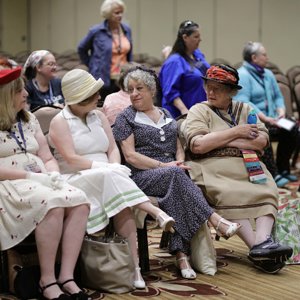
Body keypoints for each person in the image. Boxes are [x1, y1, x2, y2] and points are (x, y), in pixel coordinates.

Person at [48, 68, 175, 290]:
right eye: (94, 94)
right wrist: (106, 168)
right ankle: (156, 212)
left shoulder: (99, 116)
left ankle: (134, 267)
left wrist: (114, 166)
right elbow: (71, 158)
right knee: (112, 179)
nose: (99, 97)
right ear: (81, 98)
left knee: (122, 205)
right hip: (75, 176)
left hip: (109, 176)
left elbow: (112, 149)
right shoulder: (60, 121)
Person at [113, 66, 241, 280]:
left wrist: (179, 161)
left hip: (172, 173)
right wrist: (166, 166)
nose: (133, 93)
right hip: (142, 175)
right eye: (130, 89)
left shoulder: (165, 112)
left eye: (139, 88)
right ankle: (215, 219)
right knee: (176, 176)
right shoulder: (125, 117)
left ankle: (182, 255)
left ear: (152, 91)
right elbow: (131, 156)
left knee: (177, 188)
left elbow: (178, 144)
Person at [183, 64, 293, 274]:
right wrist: (238, 132)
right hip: (211, 166)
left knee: (267, 187)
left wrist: (220, 139)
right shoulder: (199, 110)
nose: (211, 92)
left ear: (232, 92)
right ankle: (258, 248)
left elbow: (261, 141)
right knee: (230, 191)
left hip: (247, 164)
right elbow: (198, 145)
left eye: (218, 88)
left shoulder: (246, 109)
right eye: (208, 86)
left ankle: (262, 242)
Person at [0, 67, 90, 300]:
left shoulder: (28, 119)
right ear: (6, 94)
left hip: (41, 180)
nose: (26, 94)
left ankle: (67, 277)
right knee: (53, 204)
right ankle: (47, 279)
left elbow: (47, 156)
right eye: (20, 90)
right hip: (10, 183)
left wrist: (53, 174)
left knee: (80, 200)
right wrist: (30, 177)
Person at [234, 41, 298, 187]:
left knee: (293, 128)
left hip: (274, 118)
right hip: (256, 120)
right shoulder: (243, 74)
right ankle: (273, 173)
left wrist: (281, 112)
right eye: (264, 55)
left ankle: (284, 168)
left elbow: (278, 97)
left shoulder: (268, 74)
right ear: (254, 58)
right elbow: (245, 102)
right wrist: (265, 118)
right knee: (264, 131)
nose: (267, 58)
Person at [77, 0, 132, 102]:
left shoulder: (126, 29)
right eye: (116, 13)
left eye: (121, 12)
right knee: (104, 106)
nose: (120, 15)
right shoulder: (96, 31)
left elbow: (129, 54)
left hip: (123, 78)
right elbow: (81, 49)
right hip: (104, 78)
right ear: (108, 14)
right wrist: (93, 65)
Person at [159, 20, 210, 118]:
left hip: (199, 112)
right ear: (185, 37)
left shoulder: (197, 55)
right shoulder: (174, 62)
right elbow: (170, 92)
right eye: (196, 37)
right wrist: (184, 111)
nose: (200, 39)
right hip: (181, 116)